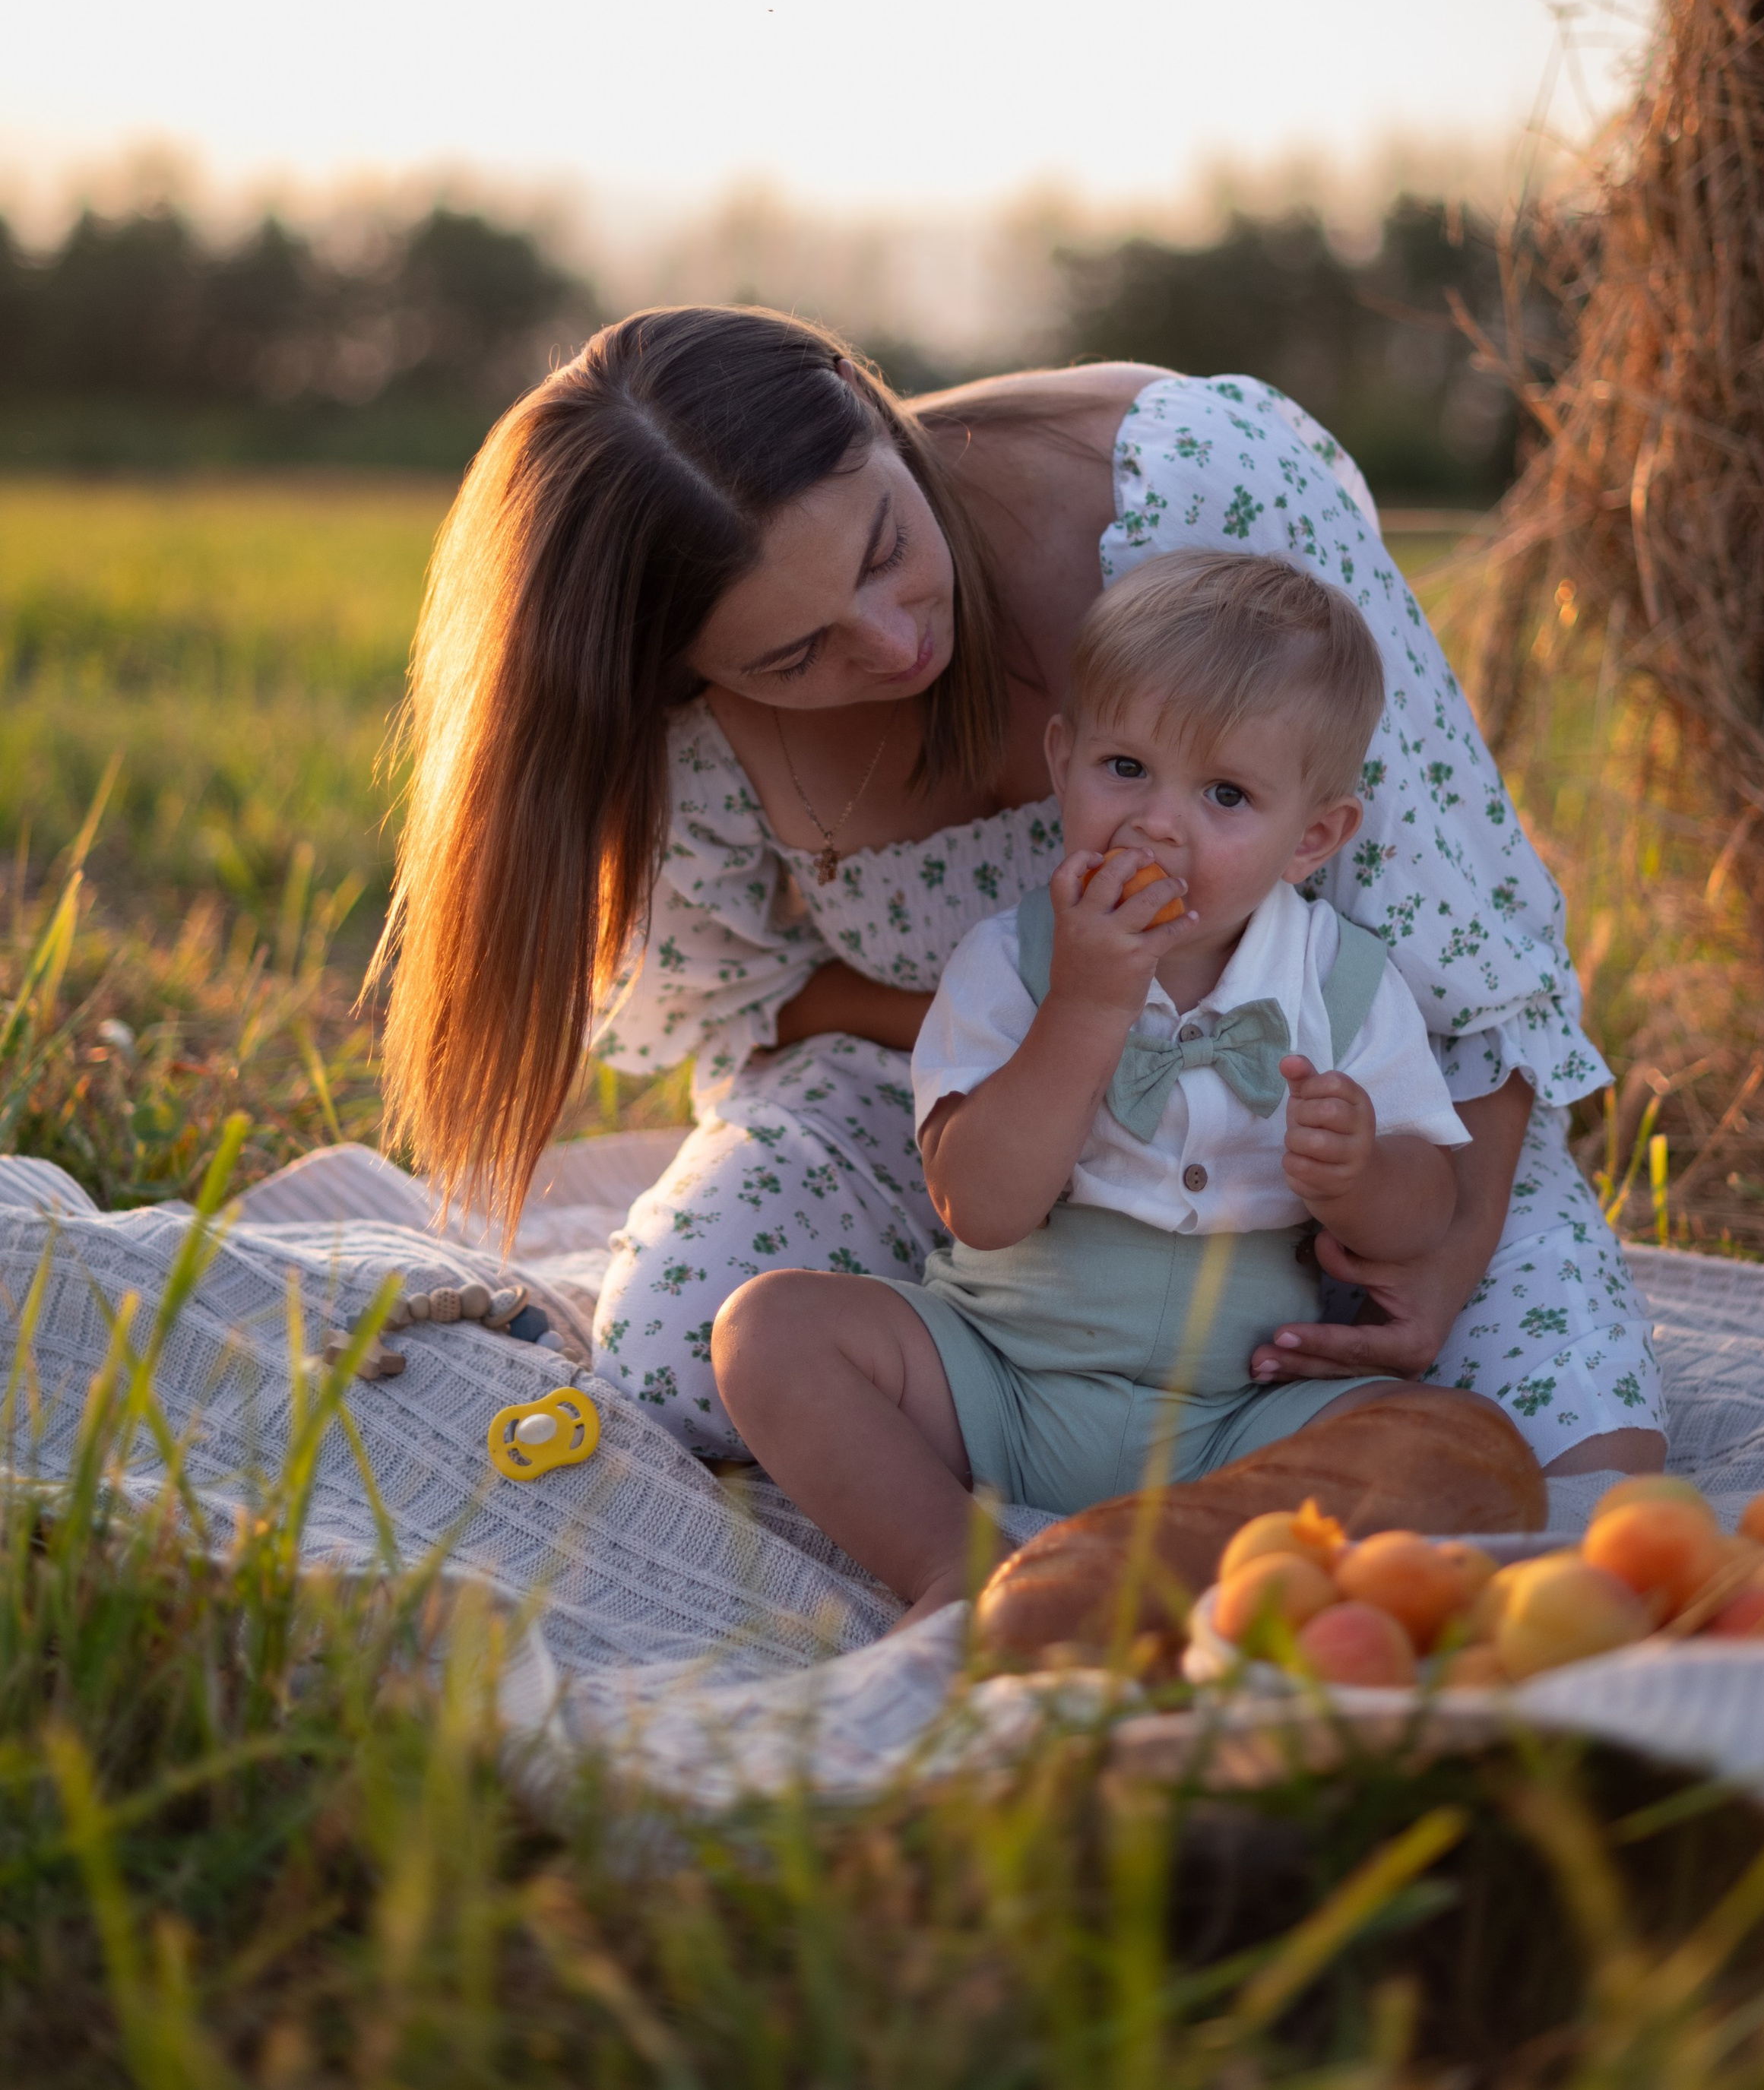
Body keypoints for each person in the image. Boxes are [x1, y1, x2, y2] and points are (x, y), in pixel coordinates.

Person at [377, 308, 1664, 1478]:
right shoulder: (687, 744)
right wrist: (1062, 1030)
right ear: (681, 682)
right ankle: (998, 1492)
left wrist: (1438, 1247)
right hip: (960, 1119)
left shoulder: (1199, 492)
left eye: (885, 549)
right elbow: (760, 1007)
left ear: (870, 407)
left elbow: (1472, 952)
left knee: (1565, 1450)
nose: (893, 644)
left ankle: (1222, 1482)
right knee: (680, 1352)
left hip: (1344, 1120)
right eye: (793, 653)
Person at [711, 551, 1490, 1619]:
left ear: (1312, 837)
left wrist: (1360, 1171)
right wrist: (1085, 1005)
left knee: (1457, 1444)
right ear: (1062, 761)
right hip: (999, 1376)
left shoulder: (1343, 982)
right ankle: (952, 1566)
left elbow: (1421, 1219)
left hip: (1242, 1411)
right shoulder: (1010, 959)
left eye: (1225, 795)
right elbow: (980, 1208)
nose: (1158, 823)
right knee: (768, 1332)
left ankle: (1184, 1558)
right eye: (1125, 768)